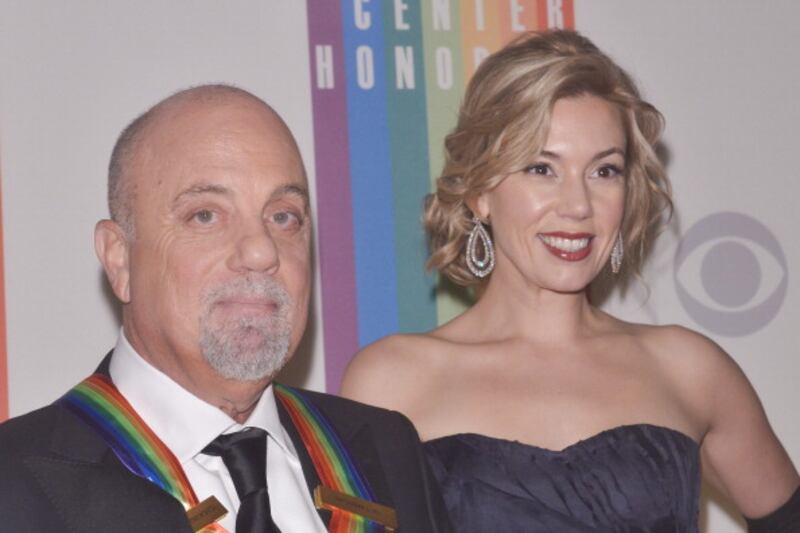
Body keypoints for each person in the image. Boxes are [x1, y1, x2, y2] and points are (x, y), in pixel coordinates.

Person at [342, 30, 800, 532]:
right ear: (480, 192)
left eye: (605, 171)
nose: (579, 206)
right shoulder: (393, 382)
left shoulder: (689, 369)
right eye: (542, 168)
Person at [0, 85, 450, 533]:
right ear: (119, 258)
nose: (261, 251)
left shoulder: (387, 451)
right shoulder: (13, 482)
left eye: (283, 216)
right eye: (205, 215)